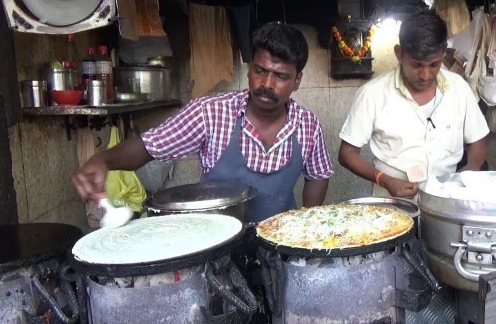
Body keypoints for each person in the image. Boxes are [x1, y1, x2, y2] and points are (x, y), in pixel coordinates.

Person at [72, 22, 334, 223]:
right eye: (260, 71)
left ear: (297, 81)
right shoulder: (210, 113)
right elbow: (148, 147)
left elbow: (318, 175)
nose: (266, 84)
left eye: (280, 76)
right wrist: (104, 160)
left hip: (277, 240)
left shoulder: (307, 125)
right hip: (215, 241)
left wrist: (304, 222)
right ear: (249, 67)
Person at [338, 10, 489, 199]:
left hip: (445, 202)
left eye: (434, 65)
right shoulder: (373, 94)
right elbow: (347, 153)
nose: (425, 75)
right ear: (399, 53)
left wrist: (471, 170)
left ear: (443, 53)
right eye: (417, 65)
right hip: (393, 206)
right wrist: (383, 179)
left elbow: (478, 140)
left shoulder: (458, 88)